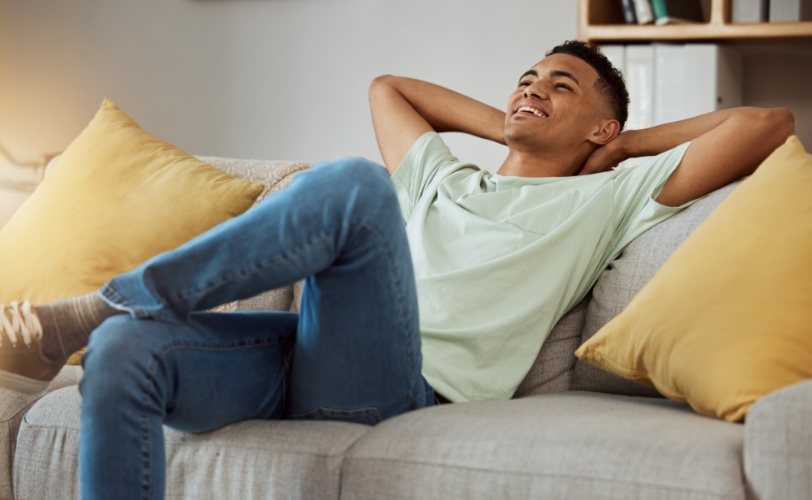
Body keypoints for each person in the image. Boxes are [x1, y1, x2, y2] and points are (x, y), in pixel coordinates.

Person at [0, 41, 794, 499]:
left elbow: (765, 123)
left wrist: (615, 146)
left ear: (605, 125)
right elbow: (389, 87)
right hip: (306, 350)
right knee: (121, 359)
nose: (532, 88)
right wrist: (519, 122)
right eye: (526, 77)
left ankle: (103, 305)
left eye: (562, 86)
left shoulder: (615, 193)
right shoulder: (444, 178)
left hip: (403, 380)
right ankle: (107, 327)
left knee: (349, 185)